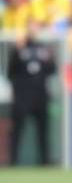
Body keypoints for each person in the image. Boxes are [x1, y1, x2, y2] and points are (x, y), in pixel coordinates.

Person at [7, 23, 56, 166]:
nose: (32, 30)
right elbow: (11, 72)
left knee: (43, 130)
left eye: (35, 27)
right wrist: (16, 50)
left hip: (40, 94)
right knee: (17, 130)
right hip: (22, 95)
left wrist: (50, 56)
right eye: (30, 27)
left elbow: (52, 70)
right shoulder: (19, 48)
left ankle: (45, 161)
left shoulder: (45, 49)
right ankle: (13, 161)